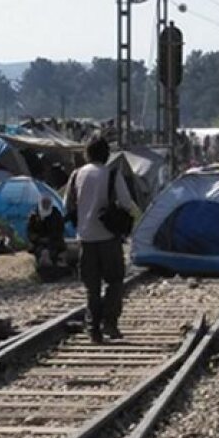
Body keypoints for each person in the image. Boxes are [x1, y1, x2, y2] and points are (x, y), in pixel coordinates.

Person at [65, 136, 138, 344]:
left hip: (85, 239)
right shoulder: (112, 175)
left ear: (87, 153)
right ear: (107, 155)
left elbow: (68, 205)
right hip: (108, 238)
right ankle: (110, 323)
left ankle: (93, 329)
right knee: (114, 281)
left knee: (92, 286)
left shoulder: (76, 175)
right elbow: (126, 203)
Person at [27, 196, 68, 282]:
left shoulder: (56, 214)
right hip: (38, 242)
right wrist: (38, 239)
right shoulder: (34, 215)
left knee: (50, 252)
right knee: (42, 251)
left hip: (54, 241)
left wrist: (50, 238)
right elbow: (30, 232)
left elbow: (60, 230)